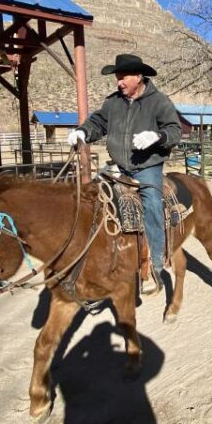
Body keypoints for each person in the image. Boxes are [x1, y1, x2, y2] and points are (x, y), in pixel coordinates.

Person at [67, 54, 181, 295]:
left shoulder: (159, 101)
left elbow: (174, 129)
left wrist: (158, 137)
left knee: (151, 203)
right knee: (91, 197)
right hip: (118, 166)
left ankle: (156, 263)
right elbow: (98, 123)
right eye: (117, 78)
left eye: (122, 78)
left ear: (138, 77)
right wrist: (83, 132)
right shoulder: (113, 103)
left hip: (147, 166)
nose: (118, 83)